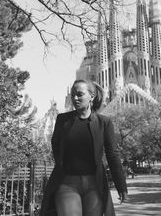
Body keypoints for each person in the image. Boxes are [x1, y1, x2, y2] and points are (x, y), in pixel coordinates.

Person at [40, 79, 128, 216]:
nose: (75, 98)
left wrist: (121, 185)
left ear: (91, 97)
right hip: (67, 183)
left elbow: (113, 155)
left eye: (80, 94)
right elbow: (55, 144)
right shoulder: (62, 120)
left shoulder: (104, 123)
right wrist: (61, 164)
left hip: (95, 184)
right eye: (73, 95)